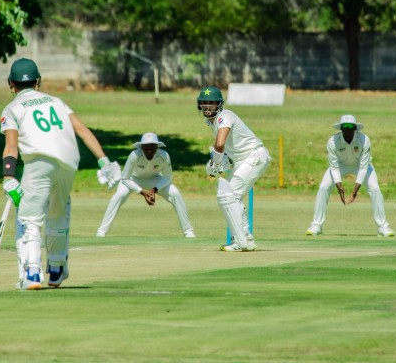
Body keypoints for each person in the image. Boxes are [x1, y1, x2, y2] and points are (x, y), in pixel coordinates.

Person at [0, 58, 121, 290]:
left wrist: (8, 177)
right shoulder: (57, 101)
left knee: (30, 219)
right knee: (57, 212)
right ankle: (56, 269)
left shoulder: (12, 108)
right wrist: (104, 161)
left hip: (39, 162)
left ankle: (32, 273)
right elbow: (82, 131)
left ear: (10, 83)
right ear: (38, 81)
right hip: (68, 163)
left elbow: (11, 147)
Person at [197, 86, 270, 252]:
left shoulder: (225, 116)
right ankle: (246, 239)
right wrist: (219, 162)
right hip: (243, 160)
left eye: (211, 103)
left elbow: (220, 143)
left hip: (253, 156)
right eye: (204, 103)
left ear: (219, 105)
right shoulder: (212, 121)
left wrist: (214, 163)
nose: (207, 107)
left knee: (232, 195)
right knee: (224, 195)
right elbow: (228, 148)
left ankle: (241, 241)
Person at [305, 115, 394, 237]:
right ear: (340, 128)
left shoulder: (364, 140)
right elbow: (334, 167)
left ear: (355, 128)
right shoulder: (333, 141)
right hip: (340, 165)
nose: (347, 129)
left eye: (350, 126)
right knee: (323, 187)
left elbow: (363, 168)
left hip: (361, 165)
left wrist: (354, 192)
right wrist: (339, 186)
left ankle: (383, 227)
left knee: (375, 188)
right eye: (344, 126)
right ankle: (317, 225)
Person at [95, 132, 195, 238]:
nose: (149, 149)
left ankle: (188, 231)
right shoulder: (134, 155)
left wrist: (154, 190)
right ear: (142, 147)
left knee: (175, 193)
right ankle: (101, 232)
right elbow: (125, 178)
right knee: (119, 195)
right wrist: (141, 191)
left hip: (154, 179)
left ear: (157, 147)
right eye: (146, 146)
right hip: (133, 179)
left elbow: (168, 177)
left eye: (152, 146)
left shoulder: (164, 156)